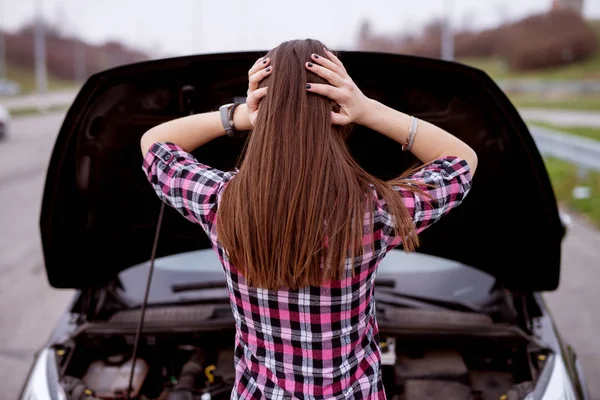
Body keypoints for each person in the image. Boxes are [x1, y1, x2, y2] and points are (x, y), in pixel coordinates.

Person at [140, 39, 477, 400]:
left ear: (261, 112)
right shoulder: (376, 211)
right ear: (338, 109)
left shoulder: (221, 203)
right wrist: (367, 110)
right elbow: (461, 160)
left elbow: (154, 144)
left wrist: (242, 115)